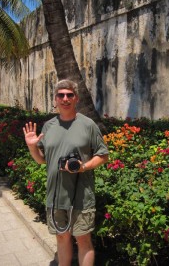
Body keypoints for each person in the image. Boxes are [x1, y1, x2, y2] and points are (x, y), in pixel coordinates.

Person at [23, 79, 109, 266]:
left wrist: (83, 166)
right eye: (61, 95)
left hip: (82, 194)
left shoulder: (88, 125)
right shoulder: (48, 126)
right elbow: (43, 160)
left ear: (76, 98)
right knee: (62, 238)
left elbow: (103, 155)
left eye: (70, 95)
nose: (65, 98)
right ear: (55, 98)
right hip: (56, 195)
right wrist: (32, 148)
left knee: (83, 239)